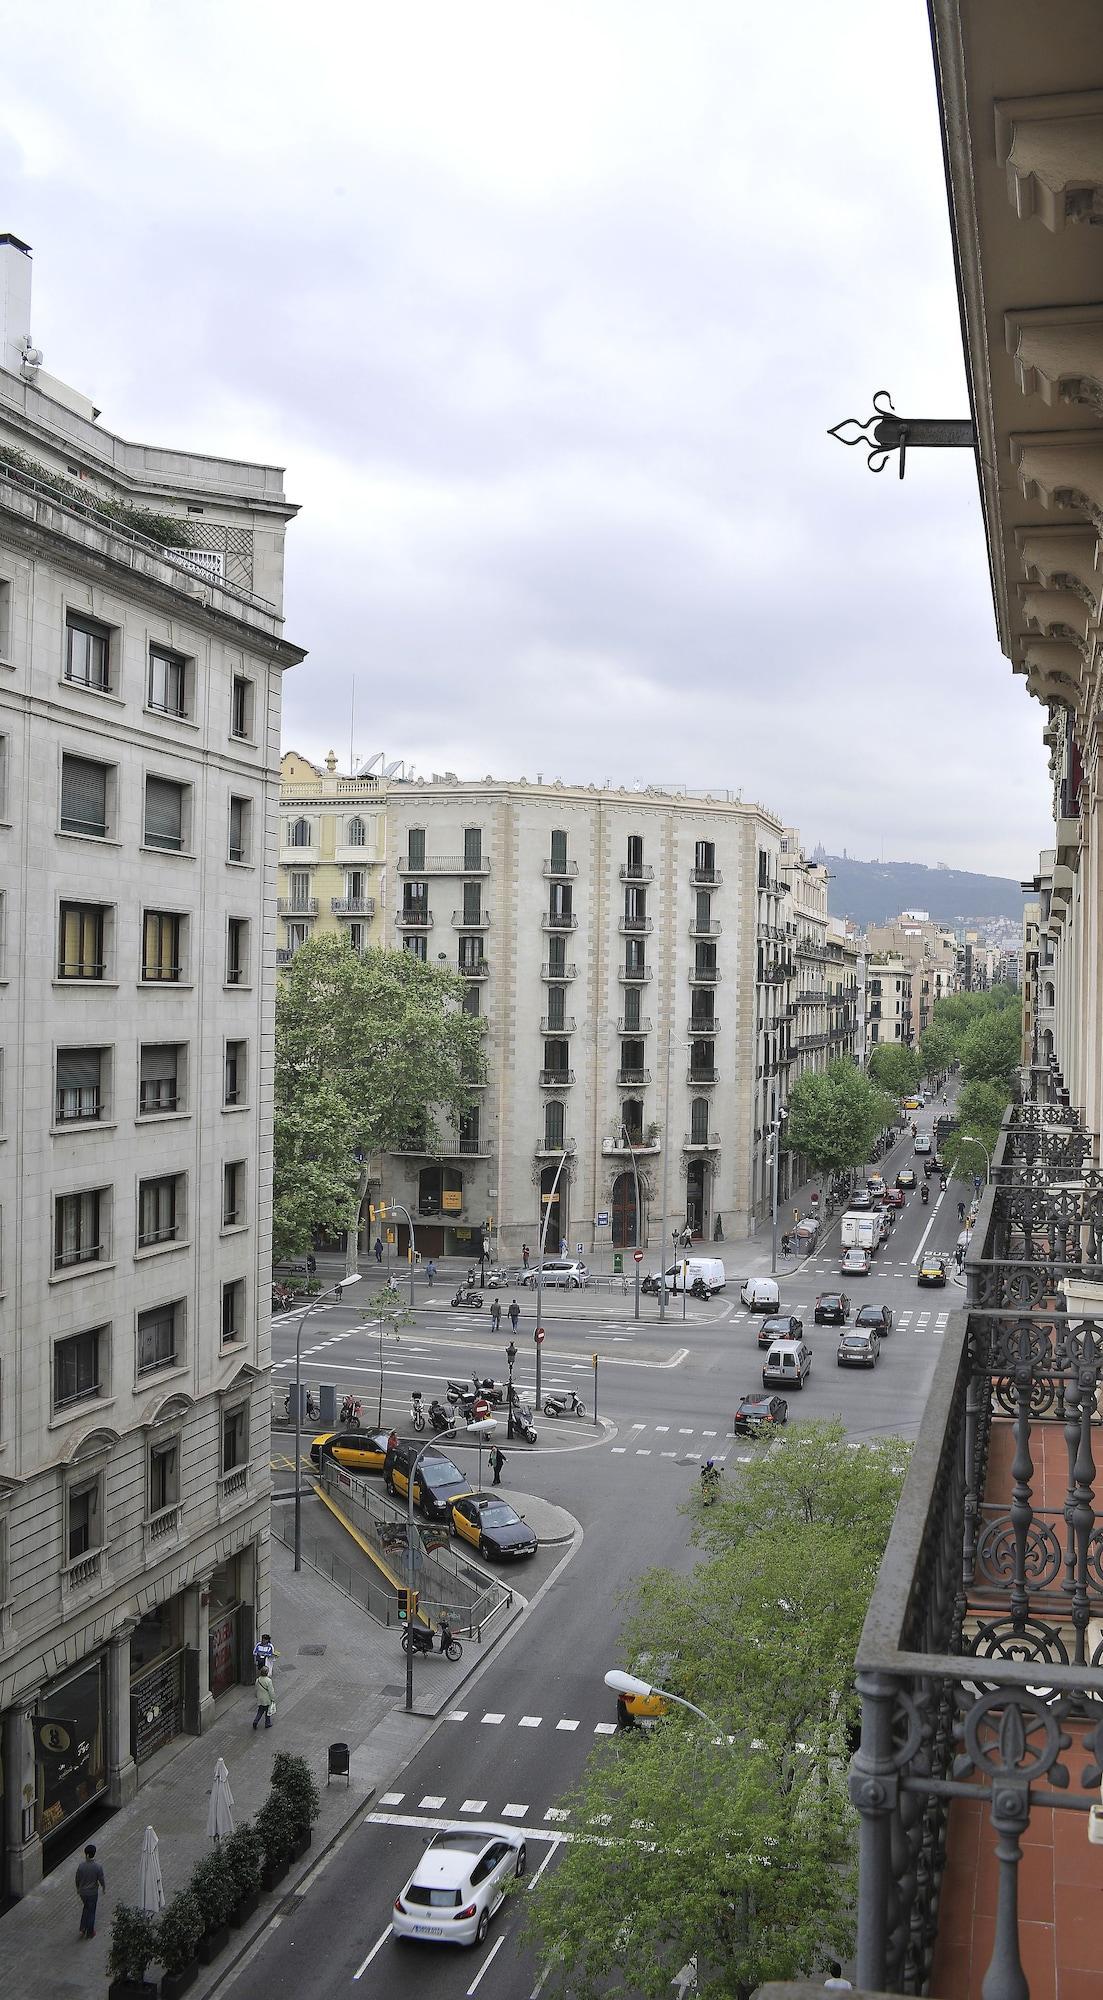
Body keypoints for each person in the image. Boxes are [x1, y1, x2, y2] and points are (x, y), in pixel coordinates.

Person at [75, 1843, 106, 1940]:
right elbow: (101, 1879)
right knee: (91, 1911)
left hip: (82, 1893)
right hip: (92, 1893)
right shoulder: (98, 1867)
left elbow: (77, 1879)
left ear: (86, 1854)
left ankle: (82, 1928)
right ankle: (90, 1932)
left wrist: (78, 1888)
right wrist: (103, 1887)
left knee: (86, 1908)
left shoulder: (81, 1866)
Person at [253, 1665, 276, 1729]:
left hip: (260, 1699)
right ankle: (267, 1723)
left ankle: (255, 1721)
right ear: (267, 1673)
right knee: (268, 1712)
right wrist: (273, 1698)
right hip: (267, 1700)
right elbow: (271, 1691)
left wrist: (256, 1696)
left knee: (260, 1711)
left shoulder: (258, 1680)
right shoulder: (268, 1681)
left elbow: (256, 1689)